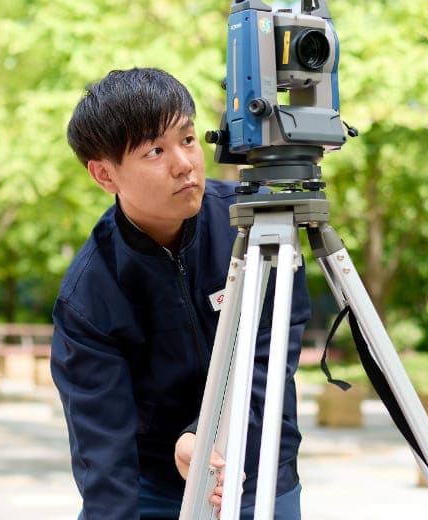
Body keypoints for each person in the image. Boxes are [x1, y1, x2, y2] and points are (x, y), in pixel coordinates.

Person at [51, 67, 311, 520]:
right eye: (155, 150)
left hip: (261, 472)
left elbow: (268, 361)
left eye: (188, 139)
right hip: (156, 489)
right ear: (104, 174)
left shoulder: (258, 228)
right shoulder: (89, 294)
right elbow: (103, 451)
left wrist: (206, 435)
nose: (184, 163)